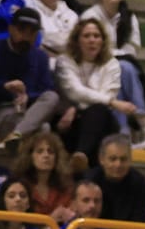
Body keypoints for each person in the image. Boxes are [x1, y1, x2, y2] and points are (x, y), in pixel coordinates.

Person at [0, 6, 59, 141]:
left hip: (28, 112)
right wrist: (4, 87)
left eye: (31, 33)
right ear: (11, 29)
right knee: (42, 129)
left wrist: (28, 96)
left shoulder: (40, 57)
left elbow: (47, 92)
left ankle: (15, 136)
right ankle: (16, 137)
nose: (26, 37)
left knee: (52, 97)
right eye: (22, 31)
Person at [54, 17, 135, 164]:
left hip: (96, 119)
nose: (92, 40)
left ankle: (81, 156)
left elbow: (104, 98)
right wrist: (113, 102)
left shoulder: (111, 64)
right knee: (98, 113)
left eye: (96, 36)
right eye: (86, 36)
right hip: (69, 123)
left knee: (99, 112)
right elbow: (74, 91)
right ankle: (82, 160)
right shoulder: (64, 61)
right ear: (77, 40)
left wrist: (76, 108)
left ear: (103, 41)